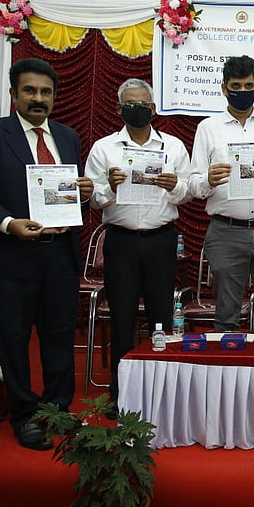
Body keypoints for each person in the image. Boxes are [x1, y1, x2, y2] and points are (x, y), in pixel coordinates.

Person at [0, 57, 95, 450]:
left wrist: (83, 195)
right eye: (30, 90)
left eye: (46, 92)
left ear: (54, 97)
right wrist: (6, 223)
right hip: (9, 256)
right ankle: (24, 415)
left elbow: (67, 197)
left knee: (59, 335)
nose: (38, 98)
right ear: (13, 94)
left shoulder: (67, 137)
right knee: (14, 339)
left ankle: (58, 409)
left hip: (59, 255)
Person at [84, 78, 192, 417]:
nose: (137, 109)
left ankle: (161, 395)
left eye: (143, 104)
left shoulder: (173, 146)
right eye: (130, 104)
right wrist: (110, 187)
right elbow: (93, 200)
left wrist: (175, 186)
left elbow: (188, 191)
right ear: (119, 109)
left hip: (161, 240)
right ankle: (122, 397)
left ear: (153, 108)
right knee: (122, 320)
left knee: (162, 319)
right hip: (121, 241)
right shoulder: (104, 148)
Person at [188, 55, 254, 332]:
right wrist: (208, 180)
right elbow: (193, 184)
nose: (243, 91)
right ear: (224, 88)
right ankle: (229, 358)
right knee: (226, 313)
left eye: (249, 86)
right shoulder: (207, 128)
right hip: (226, 231)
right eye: (236, 86)